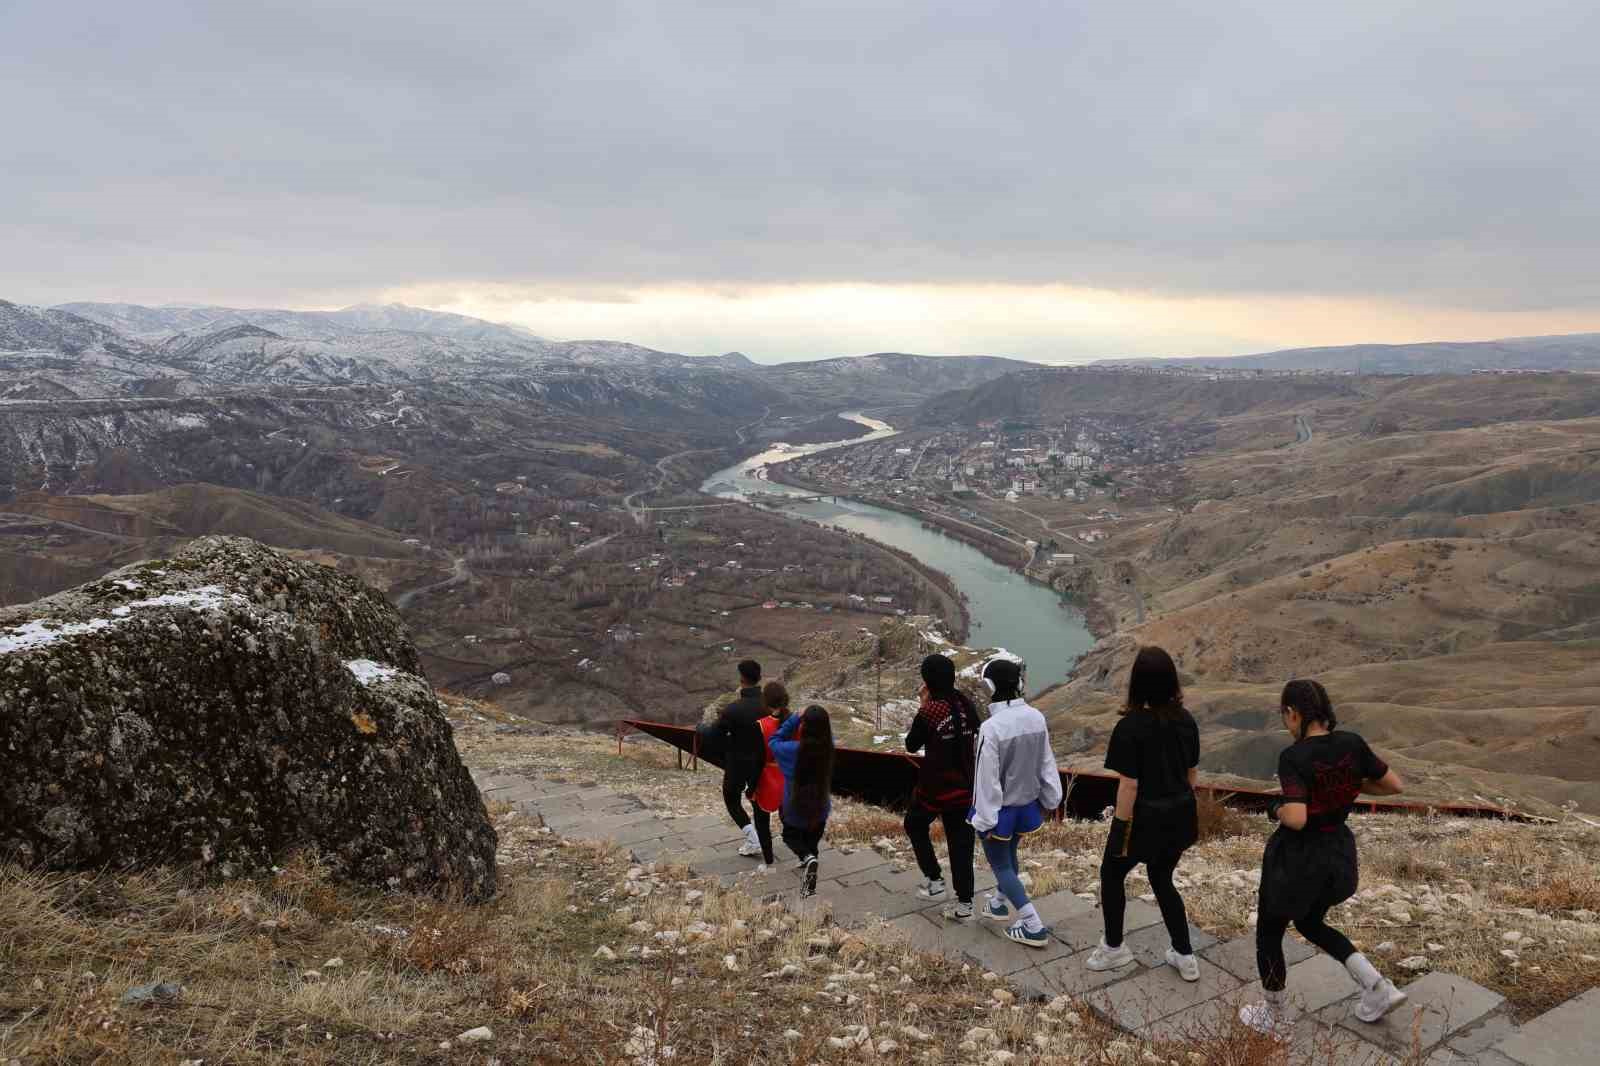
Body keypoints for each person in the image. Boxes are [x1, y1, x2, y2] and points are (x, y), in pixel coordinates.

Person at [1238, 680, 1409, 1036]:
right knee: (1310, 923)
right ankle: (1376, 986)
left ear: (1293, 713)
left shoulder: (1294, 757)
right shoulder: (1352, 743)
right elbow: (1394, 784)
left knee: (1269, 934)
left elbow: (1297, 818)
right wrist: (1344, 783)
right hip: (1339, 857)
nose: (1286, 723)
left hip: (1297, 862)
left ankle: (1274, 1016)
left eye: (1285, 715)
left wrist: (1274, 808)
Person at [1086, 647, 1202, 981]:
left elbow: (1129, 787)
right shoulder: (1186, 720)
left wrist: (1120, 829)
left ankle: (1114, 948)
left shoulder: (1130, 727)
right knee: (1162, 878)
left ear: (1137, 683)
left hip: (1143, 819)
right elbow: (1192, 775)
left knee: (1111, 874)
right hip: (1180, 816)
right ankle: (1184, 954)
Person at [969, 656, 1063, 947]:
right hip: (1028, 806)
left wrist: (983, 819)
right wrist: (1052, 798)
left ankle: (1032, 925)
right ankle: (998, 903)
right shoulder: (1036, 717)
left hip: (1000, 810)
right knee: (1009, 856)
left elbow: (986, 779)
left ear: (990, 686)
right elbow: (1046, 762)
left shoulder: (992, 727)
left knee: (1001, 865)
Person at [904, 653, 980, 921]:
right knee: (961, 843)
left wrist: (924, 704)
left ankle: (935, 881)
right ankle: (965, 903)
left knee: (914, 825)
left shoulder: (931, 711)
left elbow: (911, 744)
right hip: (965, 786)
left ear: (927, 681)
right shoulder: (964, 704)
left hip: (935, 788)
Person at [770, 704, 835, 897]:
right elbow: (826, 733)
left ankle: (807, 858)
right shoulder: (828, 747)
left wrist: (795, 718)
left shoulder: (791, 751)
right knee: (812, 839)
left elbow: (774, 740)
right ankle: (809, 878)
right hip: (820, 807)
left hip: (794, 806)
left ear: (804, 726)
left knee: (790, 836)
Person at [713, 659, 768, 858]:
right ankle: (762, 837)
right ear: (759, 677)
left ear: (742, 679)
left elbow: (714, 734)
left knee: (731, 798)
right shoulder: (770, 705)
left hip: (737, 763)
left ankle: (753, 838)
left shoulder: (733, 709)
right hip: (764, 762)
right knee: (759, 801)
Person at [745, 680, 791, 872]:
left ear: (765, 701)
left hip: (767, 777)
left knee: (762, 820)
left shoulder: (761, 726)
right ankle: (805, 854)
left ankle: (769, 861)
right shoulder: (793, 721)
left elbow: (757, 761)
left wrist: (751, 787)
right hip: (788, 776)